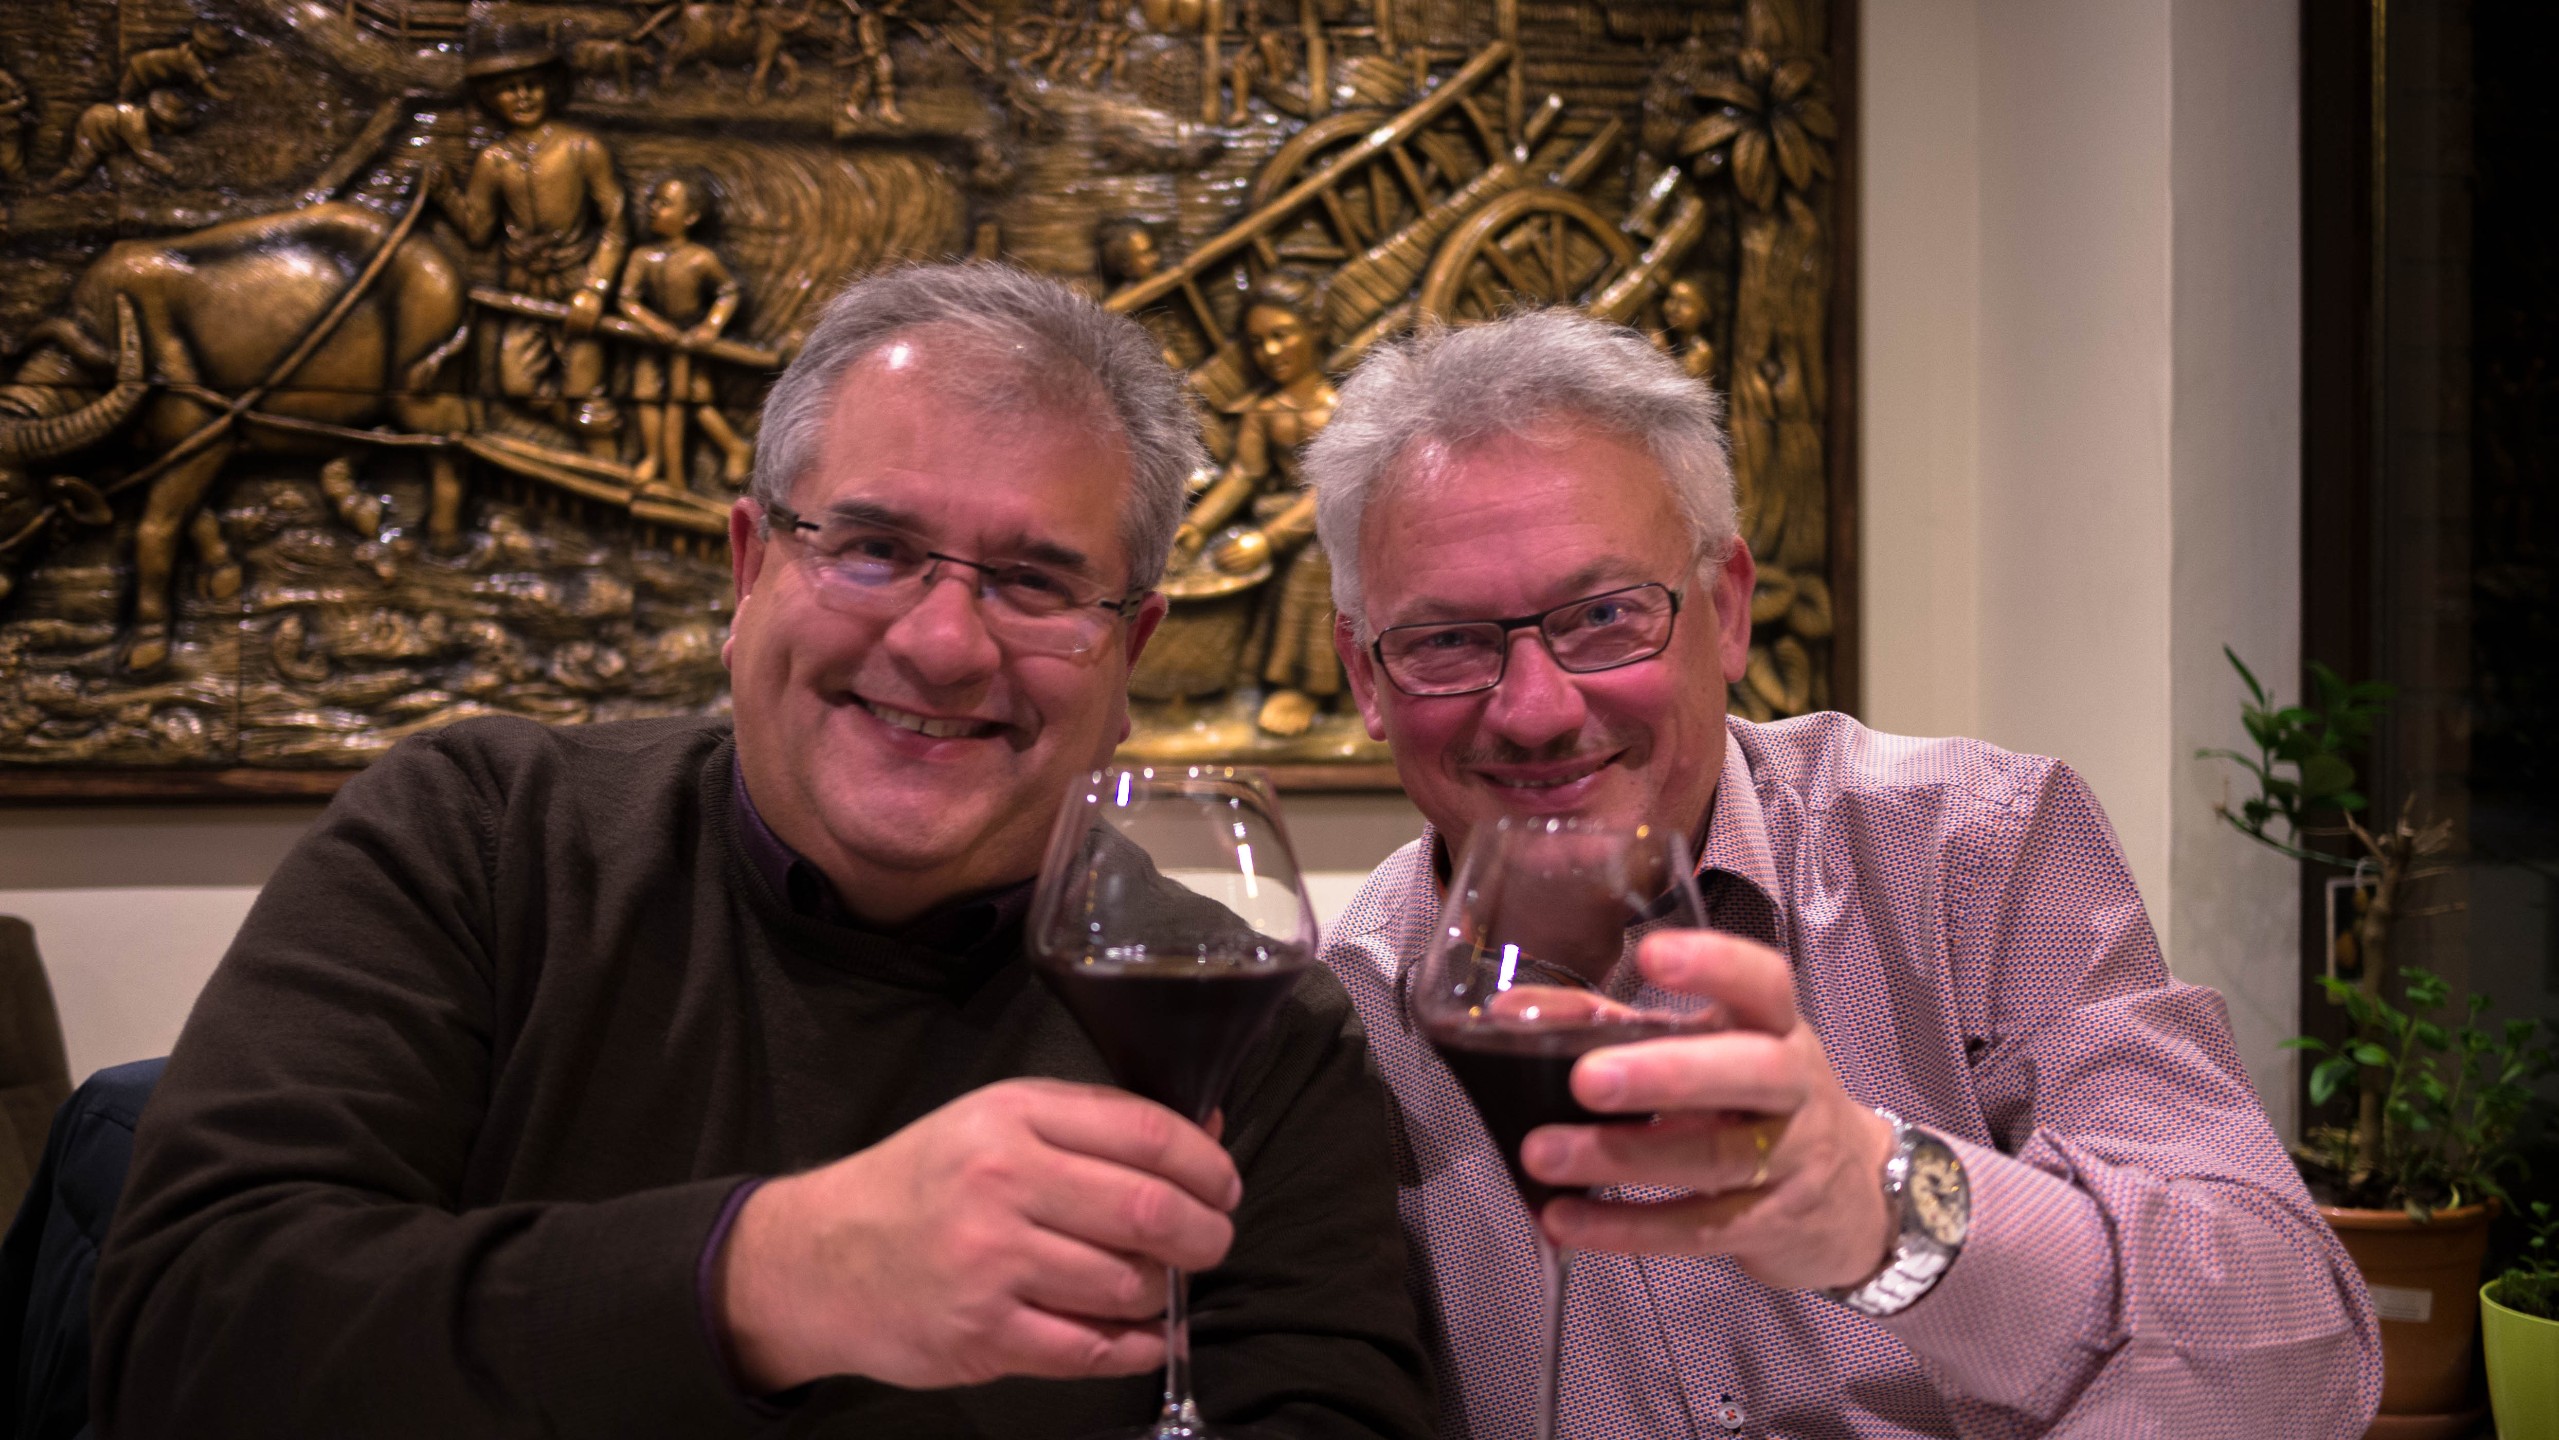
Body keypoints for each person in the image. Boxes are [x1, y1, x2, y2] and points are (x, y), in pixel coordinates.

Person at [90, 264, 1434, 1438]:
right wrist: (778, 1276)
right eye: (873, 547)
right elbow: (184, 1343)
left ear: (1125, 653)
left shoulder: (1254, 1023)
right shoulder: (476, 841)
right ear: (749, 571)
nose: (941, 645)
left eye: (1033, 582)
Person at [1300, 308, 2384, 1437]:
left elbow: (2296, 1359)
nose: (1534, 710)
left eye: (1605, 615)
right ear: (1365, 677)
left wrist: (1890, 1210)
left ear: (1725, 609)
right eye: (1444, 641)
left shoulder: (1974, 854)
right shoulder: (1337, 1027)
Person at [431, 43, 627, 458]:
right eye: (509, 89)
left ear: (548, 88)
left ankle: (609, 467)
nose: (522, 96)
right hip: (523, 292)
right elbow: (479, 231)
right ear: (491, 99)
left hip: (575, 288)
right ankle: (580, 443)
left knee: (587, 392)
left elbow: (616, 225)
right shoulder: (494, 160)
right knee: (518, 384)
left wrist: (595, 289)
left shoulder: (581, 148)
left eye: (531, 85)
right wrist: (446, 194)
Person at [1173, 266, 1340, 738]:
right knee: (1215, 560)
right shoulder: (1264, 413)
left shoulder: (1343, 408)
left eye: (1281, 336)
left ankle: (1302, 684)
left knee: (1312, 560)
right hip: (1281, 515)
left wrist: (1267, 540)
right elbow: (1244, 475)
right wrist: (1199, 525)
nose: (1269, 352)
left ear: (1315, 329)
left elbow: (1330, 490)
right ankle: (1224, 671)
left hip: (1332, 521)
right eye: (1257, 342)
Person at [618, 174, 755, 489]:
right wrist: (653, 324)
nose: (654, 208)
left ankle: (735, 447)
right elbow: (627, 299)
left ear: (690, 217)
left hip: (689, 341)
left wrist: (711, 326)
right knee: (646, 397)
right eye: (654, 201)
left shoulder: (701, 259)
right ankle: (653, 457)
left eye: (665, 204)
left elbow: (728, 291)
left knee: (697, 400)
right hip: (653, 341)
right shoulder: (642, 257)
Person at [44, 90, 193, 192]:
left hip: (108, 132)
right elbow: (146, 155)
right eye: (170, 125)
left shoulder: (139, 117)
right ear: (159, 120)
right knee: (80, 167)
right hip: (92, 126)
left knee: (121, 171)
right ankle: (48, 188)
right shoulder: (136, 126)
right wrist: (172, 171)